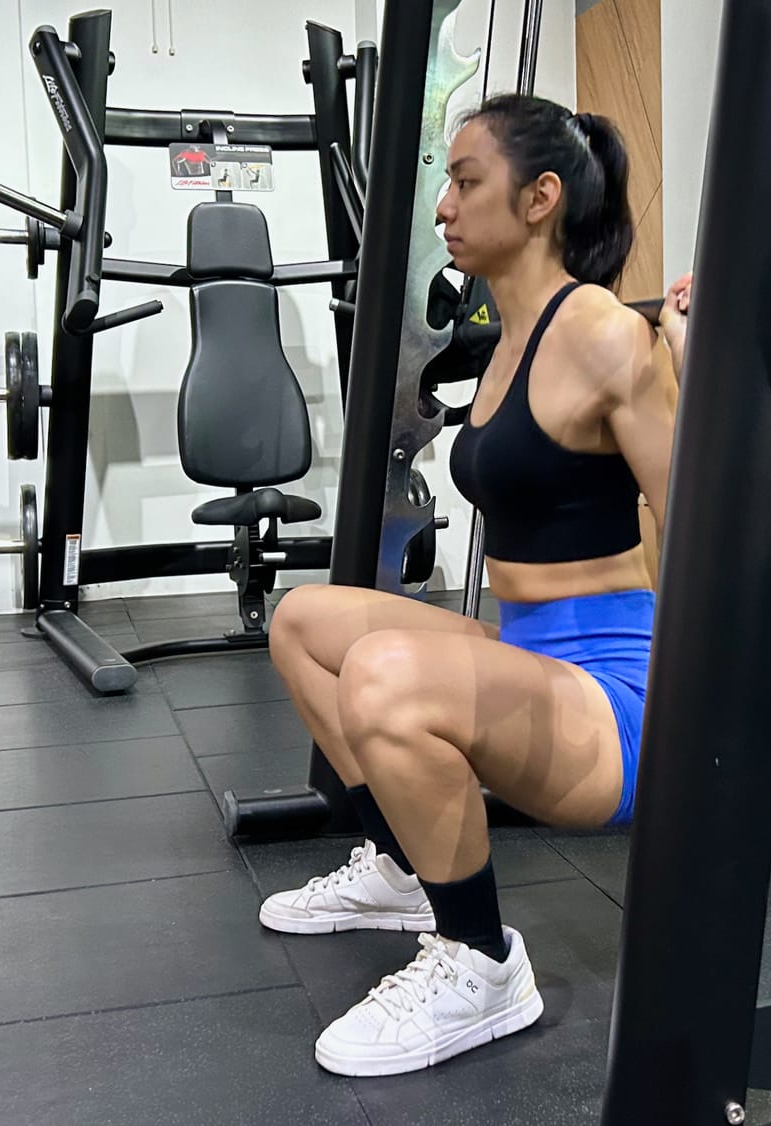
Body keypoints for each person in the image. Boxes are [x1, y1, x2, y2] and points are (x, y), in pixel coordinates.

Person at [257, 92, 690, 1078]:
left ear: (540, 198)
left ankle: (481, 959)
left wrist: (691, 357)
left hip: (614, 701)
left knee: (382, 678)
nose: (443, 207)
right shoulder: (510, 335)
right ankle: (401, 872)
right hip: (531, 648)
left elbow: (701, 520)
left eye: (464, 182)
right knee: (306, 622)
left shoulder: (599, 334)